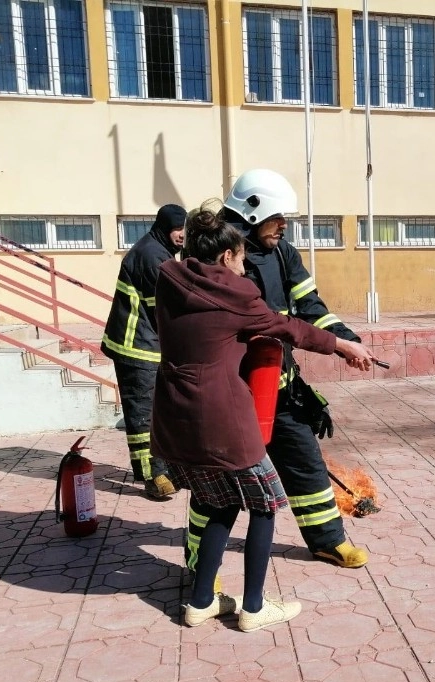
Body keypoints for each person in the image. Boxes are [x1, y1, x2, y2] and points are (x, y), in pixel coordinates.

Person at [150, 209, 375, 630]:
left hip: (174, 417)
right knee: (267, 503)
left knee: (221, 502)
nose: (245, 266)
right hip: (222, 419)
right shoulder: (236, 296)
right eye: (240, 259)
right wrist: (345, 347)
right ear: (226, 257)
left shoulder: (172, 280)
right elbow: (290, 329)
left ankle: (201, 601)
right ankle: (253, 608)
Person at [218, 168, 372, 569]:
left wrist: (345, 340)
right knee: (221, 484)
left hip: (279, 386)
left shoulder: (283, 253)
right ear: (252, 213)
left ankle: (327, 540)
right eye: (278, 217)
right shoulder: (219, 254)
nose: (285, 226)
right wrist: (335, 345)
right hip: (231, 394)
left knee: (305, 460)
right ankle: (203, 562)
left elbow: (309, 305)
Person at [101, 204, 186, 500]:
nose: (182, 235)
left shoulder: (159, 251)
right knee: (143, 415)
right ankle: (153, 476)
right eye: (178, 229)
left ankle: (164, 467)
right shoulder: (152, 256)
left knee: (158, 412)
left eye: (185, 228)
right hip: (135, 347)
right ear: (165, 227)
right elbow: (164, 309)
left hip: (146, 345)